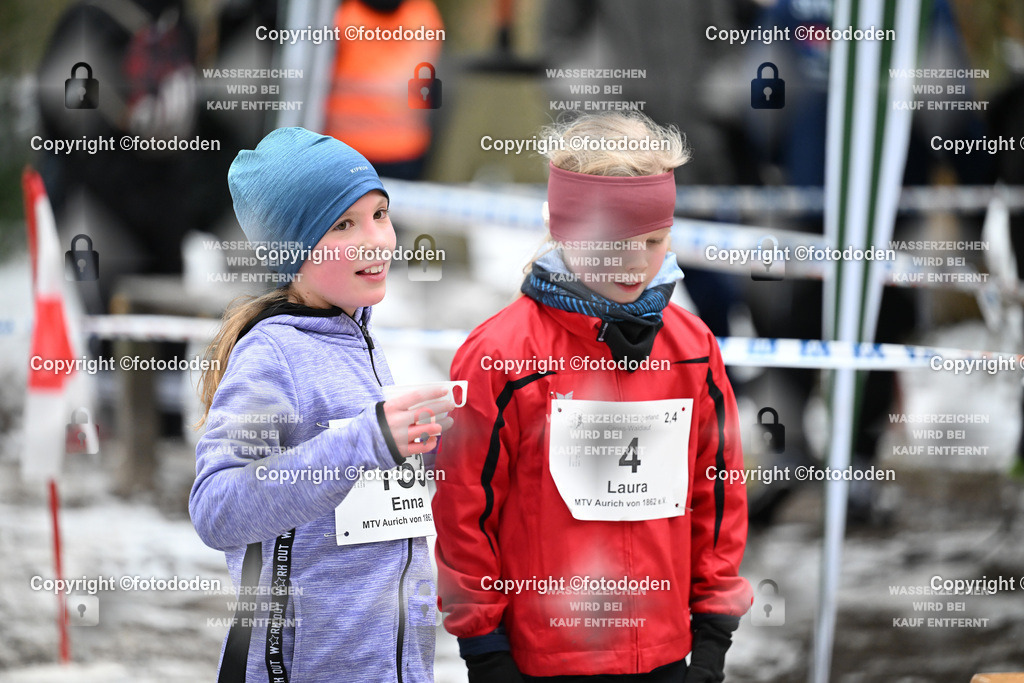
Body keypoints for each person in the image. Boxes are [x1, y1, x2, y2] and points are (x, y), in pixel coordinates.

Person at [432, 112, 753, 682]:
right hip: (541, 658)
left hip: (664, 652)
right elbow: (465, 506)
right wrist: (483, 643)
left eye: (653, 241)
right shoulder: (501, 355)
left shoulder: (691, 347)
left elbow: (718, 488)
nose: (635, 261)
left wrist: (712, 631)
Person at [188, 127, 454, 682]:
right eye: (343, 225)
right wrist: (365, 441)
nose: (377, 240)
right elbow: (216, 508)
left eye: (380, 214)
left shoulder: (356, 335)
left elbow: (360, 487)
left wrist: (434, 446)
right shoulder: (272, 355)